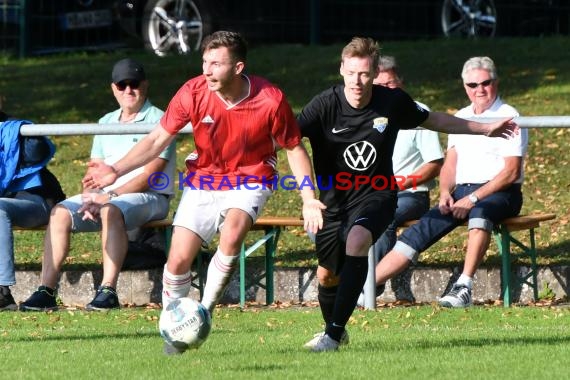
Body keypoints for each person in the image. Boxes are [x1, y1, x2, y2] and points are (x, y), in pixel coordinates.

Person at [82, 31, 324, 354]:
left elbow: (294, 148)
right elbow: (156, 140)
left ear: (238, 68)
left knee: (234, 229)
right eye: (205, 62)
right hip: (204, 181)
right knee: (178, 260)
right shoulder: (193, 92)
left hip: (251, 178)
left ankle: (203, 314)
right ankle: (176, 324)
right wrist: (116, 171)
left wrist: (309, 198)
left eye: (216, 64)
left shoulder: (271, 99)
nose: (207, 71)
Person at [297, 38, 518, 352]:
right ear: (342, 70)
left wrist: (484, 128)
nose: (357, 82)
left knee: (358, 239)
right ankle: (334, 328)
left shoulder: (391, 101)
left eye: (364, 74)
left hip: (378, 195)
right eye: (351, 73)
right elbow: (288, 139)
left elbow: (434, 119)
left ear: (374, 73)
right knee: (326, 275)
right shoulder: (323, 105)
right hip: (334, 202)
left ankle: (332, 336)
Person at [20, 58, 176, 312]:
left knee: (110, 210)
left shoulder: (162, 119)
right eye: (122, 85)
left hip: (151, 196)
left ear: (145, 85)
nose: (128, 90)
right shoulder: (105, 122)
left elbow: (151, 174)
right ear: (113, 88)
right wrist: (91, 195)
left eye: (133, 83)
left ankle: (107, 290)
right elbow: (94, 172)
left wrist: (110, 195)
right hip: (107, 196)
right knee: (59, 212)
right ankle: (46, 290)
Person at [374, 56, 528, 309]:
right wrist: (446, 191)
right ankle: (365, 288)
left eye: (485, 83)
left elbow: (511, 172)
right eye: (472, 85)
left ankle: (463, 286)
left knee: (481, 214)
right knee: (420, 231)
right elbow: (450, 165)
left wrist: (473, 199)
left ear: (496, 82)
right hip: (463, 191)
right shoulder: (462, 116)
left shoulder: (509, 115)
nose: (479, 90)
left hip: (501, 192)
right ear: (464, 87)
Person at [357, 55, 443, 305]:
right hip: (370, 193)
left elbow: (434, 165)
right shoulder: (367, 112)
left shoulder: (416, 111)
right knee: (327, 218)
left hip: (411, 195)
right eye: (381, 85)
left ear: (401, 82)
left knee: (383, 217)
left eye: (391, 83)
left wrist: (396, 185)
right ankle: (346, 278)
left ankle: (369, 288)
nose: (387, 89)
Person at [0, 110, 66, 311]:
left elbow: (36, 150)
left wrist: (11, 134)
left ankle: (2, 292)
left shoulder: (14, 127)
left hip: (36, 201)